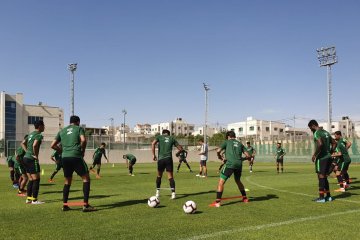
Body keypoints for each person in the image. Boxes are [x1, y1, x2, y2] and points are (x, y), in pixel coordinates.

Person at [51, 115, 95, 212]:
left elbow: (52, 145)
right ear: (78, 122)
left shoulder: (62, 131)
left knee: (67, 181)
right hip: (76, 156)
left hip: (65, 158)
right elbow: (83, 140)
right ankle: (85, 205)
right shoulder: (79, 129)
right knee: (86, 178)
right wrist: (82, 151)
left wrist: (61, 151)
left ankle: (65, 205)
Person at [210, 131, 250, 207]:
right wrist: (242, 159)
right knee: (238, 181)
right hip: (238, 165)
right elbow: (248, 156)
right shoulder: (240, 143)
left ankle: (217, 202)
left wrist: (219, 157)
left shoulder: (227, 142)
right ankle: (245, 198)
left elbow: (218, 151)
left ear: (228, 136)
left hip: (230, 164)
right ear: (234, 136)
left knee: (221, 181)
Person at [308, 119, 336, 203]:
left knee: (320, 176)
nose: (310, 130)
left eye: (310, 128)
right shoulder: (326, 132)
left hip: (322, 158)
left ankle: (321, 198)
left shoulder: (317, 132)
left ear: (313, 126)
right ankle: (328, 196)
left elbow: (320, 144)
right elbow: (334, 143)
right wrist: (330, 152)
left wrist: (314, 155)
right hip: (328, 157)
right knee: (324, 176)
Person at [151, 129, 183, 199]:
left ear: (163, 133)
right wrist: (178, 154)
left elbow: (153, 143)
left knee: (159, 176)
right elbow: (180, 149)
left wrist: (153, 155)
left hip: (161, 159)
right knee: (170, 177)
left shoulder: (159, 137)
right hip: (168, 159)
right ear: (169, 134)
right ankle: (173, 194)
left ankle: (157, 193)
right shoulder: (172, 138)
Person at [22, 120, 45, 204]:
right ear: (39, 126)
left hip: (25, 158)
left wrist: (27, 151)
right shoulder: (39, 135)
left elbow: (23, 143)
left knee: (31, 179)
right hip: (31, 159)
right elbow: (34, 145)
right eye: (43, 125)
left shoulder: (30, 134)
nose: (44, 127)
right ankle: (34, 200)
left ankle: (28, 199)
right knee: (36, 179)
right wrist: (35, 155)